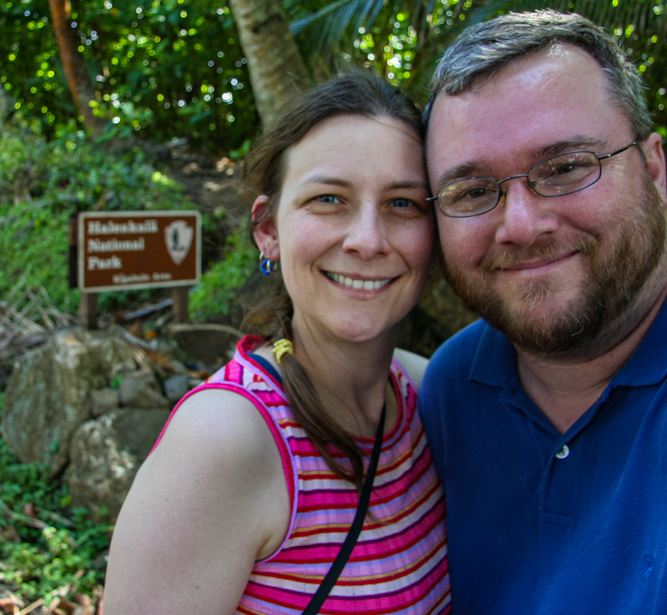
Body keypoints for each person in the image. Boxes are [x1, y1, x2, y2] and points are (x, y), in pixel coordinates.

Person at [418, 9, 667, 614]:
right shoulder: (454, 389)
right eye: (472, 191)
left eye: (567, 167)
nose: (519, 226)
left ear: (654, 170)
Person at [103, 72, 451, 615]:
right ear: (268, 229)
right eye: (329, 198)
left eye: (403, 204)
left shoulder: (429, 392)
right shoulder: (223, 442)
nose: (367, 240)